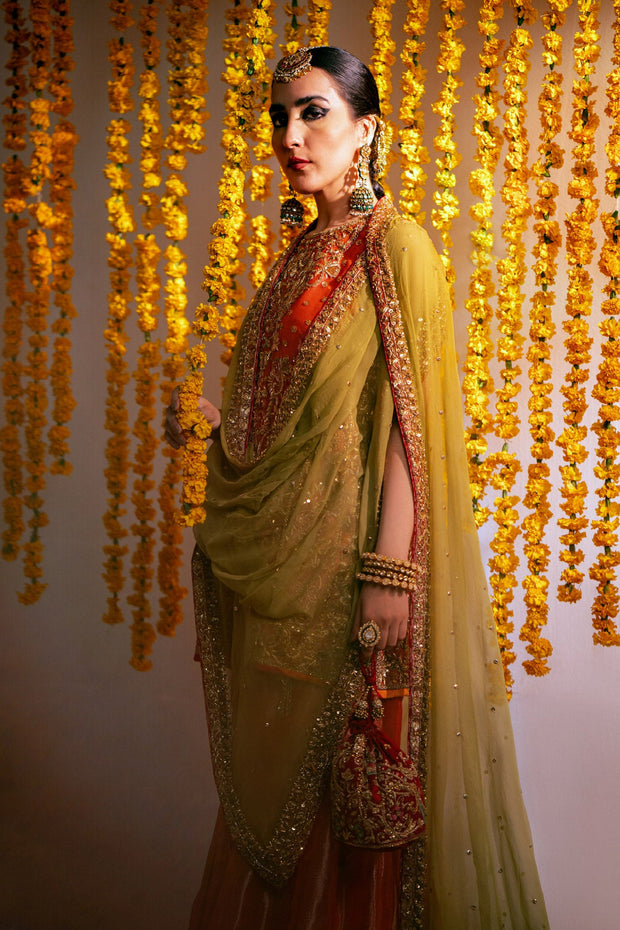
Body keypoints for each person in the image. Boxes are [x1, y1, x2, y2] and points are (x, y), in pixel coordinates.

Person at [165, 46, 549, 930]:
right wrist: (218, 432)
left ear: (365, 129)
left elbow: (413, 423)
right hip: (291, 571)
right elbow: (290, 425)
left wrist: (390, 568)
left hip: (350, 578)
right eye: (281, 119)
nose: (291, 136)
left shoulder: (394, 246)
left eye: (314, 113)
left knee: (355, 796)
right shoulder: (301, 254)